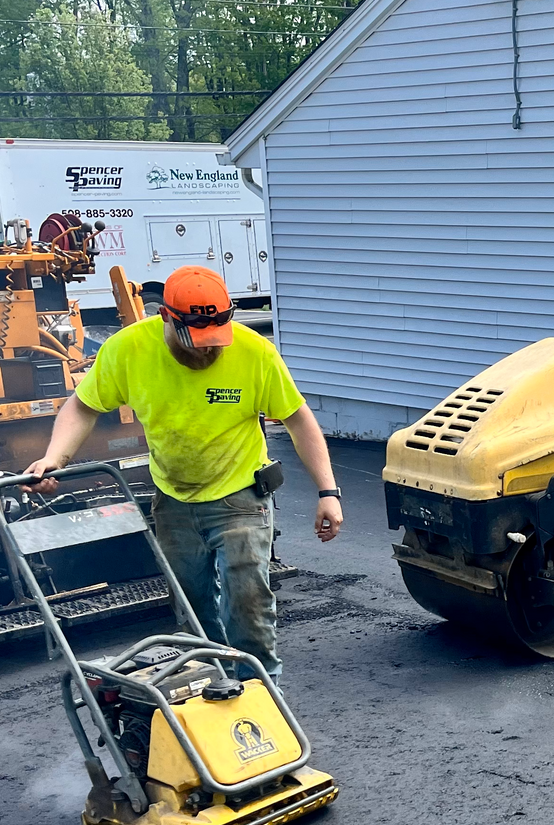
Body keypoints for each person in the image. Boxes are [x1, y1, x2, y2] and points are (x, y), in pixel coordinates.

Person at [24, 264, 344, 678]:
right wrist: (56, 458)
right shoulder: (128, 350)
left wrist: (328, 492)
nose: (209, 351)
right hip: (173, 500)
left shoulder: (254, 353)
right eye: (198, 342)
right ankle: (212, 685)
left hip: (240, 496)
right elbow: (83, 405)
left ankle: (263, 698)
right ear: (166, 319)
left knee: (247, 602)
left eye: (216, 342)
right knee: (191, 607)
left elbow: (298, 419)